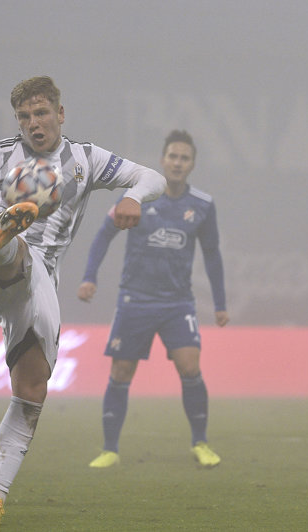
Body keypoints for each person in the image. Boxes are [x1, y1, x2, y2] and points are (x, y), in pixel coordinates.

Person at [0, 76, 166, 532]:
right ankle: (3, 238)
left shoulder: (86, 159)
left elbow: (154, 177)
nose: (33, 123)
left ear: (60, 114)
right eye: (25, 116)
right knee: (11, 252)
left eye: (41, 113)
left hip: (41, 285)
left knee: (32, 391)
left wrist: (132, 196)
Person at [78, 129, 228, 470]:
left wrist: (220, 304)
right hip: (136, 300)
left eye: (184, 158)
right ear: (162, 160)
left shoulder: (202, 205)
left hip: (178, 303)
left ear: (192, 164)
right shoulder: (138, 197)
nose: (177, 162)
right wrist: (89, 277)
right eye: (172, 156)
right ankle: (110, 449)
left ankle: (201, 443)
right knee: (121, 371)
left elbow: (212, 254)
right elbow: (104, 235)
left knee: (190, 366)